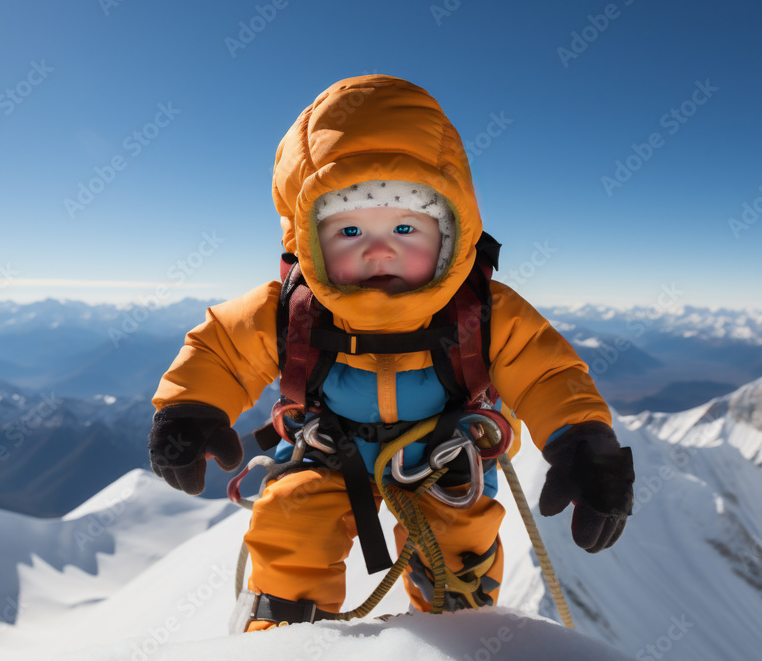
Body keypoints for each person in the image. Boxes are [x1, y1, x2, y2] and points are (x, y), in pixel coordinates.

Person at [148, 75, 634, 632]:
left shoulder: (485, 309)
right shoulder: (290, 309)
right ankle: (279, 632)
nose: (379, 249)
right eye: (350, 229)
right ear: (307, 241)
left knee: (459, 540)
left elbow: (546, 372)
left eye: (405, 226)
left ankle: (459, 624)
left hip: (445, 454)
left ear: (454, 231)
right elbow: (222, 349)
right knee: (292, 520)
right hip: (329, 447)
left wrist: (581, 439)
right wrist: (190, 408)